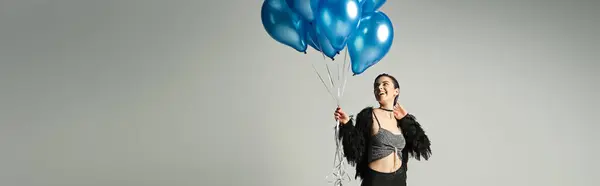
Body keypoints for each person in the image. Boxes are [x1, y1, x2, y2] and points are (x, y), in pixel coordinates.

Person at [334, 73, 432, 186]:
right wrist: (347, 124)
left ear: (396, 91)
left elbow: (422, 146)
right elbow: (355, 150)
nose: (379, 87)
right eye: (376, 86)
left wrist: (406, 119)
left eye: (385, 84)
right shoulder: (369, 116)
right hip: (376, 180)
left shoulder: (401, 119)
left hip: (399, 179)